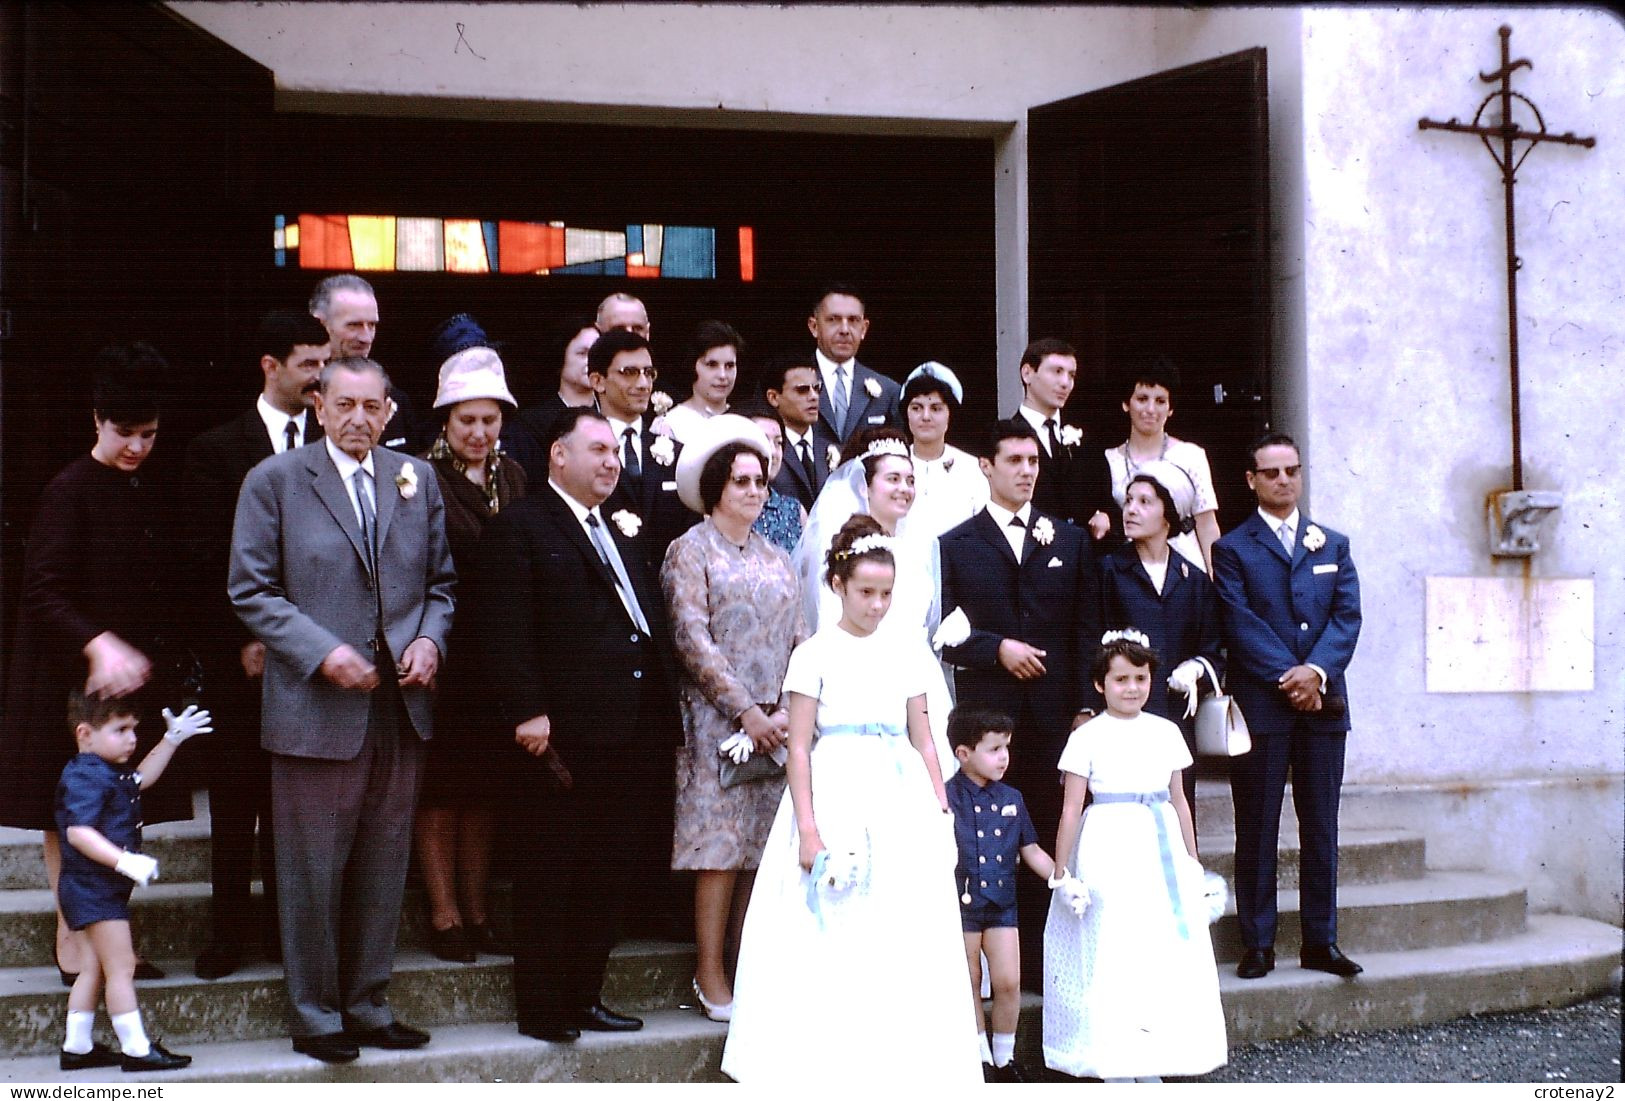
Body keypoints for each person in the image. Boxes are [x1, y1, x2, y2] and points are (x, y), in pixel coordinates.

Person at [229, 356, 456, 1063]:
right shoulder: (275, 481)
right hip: (314, 704)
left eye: (373, 406)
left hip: (400, 705)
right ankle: (315, 1011)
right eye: (345, 405)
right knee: (310, 869)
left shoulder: (414, 478)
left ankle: (369, 1000)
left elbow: (442, 583)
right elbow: (252, 589)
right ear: (318, 405)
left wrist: (429, 639)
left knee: (384, 863)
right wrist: (320, 651)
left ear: (389, 410)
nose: (360, 419)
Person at [721, 515, 981, 1084]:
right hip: (839, 785)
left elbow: (924, 737)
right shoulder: (814, 654)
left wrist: (941, 807)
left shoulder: (908, 651)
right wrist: (809, 829)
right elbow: (798, 748)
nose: (878, 604)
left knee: (901, 922)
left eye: (887, 593)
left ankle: (899, 1061)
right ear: (838, 585)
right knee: (839, 920)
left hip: (900, 792)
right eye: (866, 592)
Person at [464, 406, 679, 1043]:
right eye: (597, 450)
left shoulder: (618, 527)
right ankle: (543, 1006)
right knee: (551, 870)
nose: (611, 462)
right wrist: (527, 708)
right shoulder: (523, 526)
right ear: (558, 456)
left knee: (607, 872)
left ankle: (585, 995)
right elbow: (504, 625)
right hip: (562, 735)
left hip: (631, 729)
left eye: (615, 452)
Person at [0, 345, 190, 988]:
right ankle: (74, 942)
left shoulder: (148, 486)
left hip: (122, 685)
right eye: (125, 433)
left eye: (149, 435)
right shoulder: (67, 490)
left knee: (119, 810)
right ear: (97, 422)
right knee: (72, 813)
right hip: (68, 682)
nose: (138, 446)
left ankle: (104, 941)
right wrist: (99, 642)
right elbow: (42, 592)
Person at [182, 309, 330, 980]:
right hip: (245, 657)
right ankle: (227, 933)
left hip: (316, 654)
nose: (320, 377)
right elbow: (211, 557)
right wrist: (246, 637)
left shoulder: (332, 445)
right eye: (309, 364)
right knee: (237, 797)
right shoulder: (217, 450)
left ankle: (283, 931)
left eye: (324, 363)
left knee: (294, 801)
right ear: (270, 366)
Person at [938, 417, 1099, 987]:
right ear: (987, 466)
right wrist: (996, 648)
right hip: (990, 722)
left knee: (1053, 830)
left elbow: (1088, 628)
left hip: (1056, 716)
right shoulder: (956, 544)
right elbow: (947, 635)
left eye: (1033, 462)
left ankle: (1050, 957)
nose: (1026, 472)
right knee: (993, 836)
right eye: (1014, 461)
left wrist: (1084, 706)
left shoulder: (1070, 539)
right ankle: (1000, 965)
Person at [662, 415, 807, 1022]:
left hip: (774, 726)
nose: (754, 491)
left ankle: (749, 963)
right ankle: (709, 971)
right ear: (716, 487)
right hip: (717, 722)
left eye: (760, 482)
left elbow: (801, 635)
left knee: (760, 850)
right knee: (718, 851)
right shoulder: (688, 550)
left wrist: (784, 712)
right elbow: (692, 638)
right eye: (741, 482)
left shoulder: (778, 557)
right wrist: (745, 710)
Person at [1212, 431, 1363, 980]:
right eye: (1271, 472)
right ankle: (1259, 943)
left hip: (1324, 706)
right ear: (1252, 480)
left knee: (1321, 826)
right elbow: (1238, 620)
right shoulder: (1232, 548)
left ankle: (1321, 942)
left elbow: (1347, 618)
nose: (1283, 480)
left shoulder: (1333, 543)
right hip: (1264, 706)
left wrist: (1317, 672)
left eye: (1291, 471)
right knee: (1258, 827)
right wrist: (1289, 675)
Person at [1043, 632, 1226, 1082]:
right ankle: (1114, 1058)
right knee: (1114, 945)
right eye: (1121, 679)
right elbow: (1071, 807)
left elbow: (1180, 801)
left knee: (1155, 946)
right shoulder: (1088, 735)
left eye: (1140, 678)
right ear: (1100, 685)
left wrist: (1192, 860)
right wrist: (1061, 872)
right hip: (1109, 841)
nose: (1132, 688)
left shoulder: (1165, 731)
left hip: (1157, 844)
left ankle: (1153, 1056)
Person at [412, 330, 527, 964]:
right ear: (445, 420)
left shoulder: (515, 475)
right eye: (467, 420)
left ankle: (478, 906)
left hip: (499, 656)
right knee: (441, 789)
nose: (479, 432)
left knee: (485, 787)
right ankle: (444, 908)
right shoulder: (420, 477)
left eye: (489, 419)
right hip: (444, 651)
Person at [54, 691, 213, 1072]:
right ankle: (136, 1050)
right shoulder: (84, 776)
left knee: (93, 967)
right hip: (94, 889)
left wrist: (170, 740)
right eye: (120, 729)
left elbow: (141, 779)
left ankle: (76, 1047)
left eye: (134, 730)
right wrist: (124, 860)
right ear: (85, 734)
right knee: (122, 967)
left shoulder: (106, 771)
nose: (131, 738)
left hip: (93, 889)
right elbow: (79, 833)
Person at [793, 426, 955, 775]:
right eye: (892, 479)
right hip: (860, 674)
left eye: (910, 480)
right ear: (865, 486)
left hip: (918, 675)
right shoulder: (844, 549)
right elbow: (829, 619)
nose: (904, 489)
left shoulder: (920, 546)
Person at [1093, 465, 1225, 824]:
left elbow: (1213, 647)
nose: (1131, 509)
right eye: (1129, 500)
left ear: (1169, 513)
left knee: (1176, 809)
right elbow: (1090, 642)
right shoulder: (1108, 571)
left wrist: (1196, 668)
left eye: (1145, 502)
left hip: (1174, 721)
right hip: (1120, 720)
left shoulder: (1193, 579)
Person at [945, 707, 1057, 1083]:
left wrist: (1063, 879)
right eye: (993, 749)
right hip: (962, 905)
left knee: (1009, 981)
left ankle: (1004, 1057)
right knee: (970, 981)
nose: (1004, 757)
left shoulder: (1012, 796)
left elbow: (1032, 851)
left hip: (1002, 905)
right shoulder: (945, 796)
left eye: (1006, 747)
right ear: (964, 753)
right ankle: (978, 1058)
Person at [591, 328, 696, 569]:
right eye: (629, 373)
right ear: (597, 381)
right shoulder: (580, 455)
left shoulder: (678, 453)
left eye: (649, 373)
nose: (643, 384)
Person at [1105, 357, 1221, 574]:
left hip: (1186, 567)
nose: (1150, 409)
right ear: (1126, 403)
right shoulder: (1109, 460)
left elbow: (1207, 526)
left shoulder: (1191, 455)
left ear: (1170, 409)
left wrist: (1217, 586)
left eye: (1160, 401)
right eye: (1142, 399)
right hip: (1129, 572)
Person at [1012, 338, 1116, 540]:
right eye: (1056, 371)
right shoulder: (1006, 438)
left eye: (1072, 375)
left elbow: (1106, 501)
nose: (1065, 383)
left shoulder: (1086, 438)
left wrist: (1107, 517)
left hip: (1085, 560)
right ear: (1027, 373)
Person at [309, 274, 413, 450]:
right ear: (320, 324)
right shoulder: (300, 400)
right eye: (353, 325)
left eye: (371, 325)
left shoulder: (396, 400)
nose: (366, 338)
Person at [808, 282, 900, 451]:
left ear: (864, 328)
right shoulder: (790, 384)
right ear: (814, 327)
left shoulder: (889, 391)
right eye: (833, 320)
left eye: (853, 320)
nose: (844, 329)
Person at [901, 360, 988, 539]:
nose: (925, 417)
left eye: (936, 408)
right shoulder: (891, 464)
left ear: (950, 414)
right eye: (917, 408)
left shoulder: (972, 469)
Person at [505, 318, 599, 483]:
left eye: (597, 353)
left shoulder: (614, 412)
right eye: (582, 353)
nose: (592, 361)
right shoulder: (531, 424)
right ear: (561, 356)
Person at [732, 397, 806, 553]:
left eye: (778, 443)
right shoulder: (723, 508)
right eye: (763, 440)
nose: (773, 451)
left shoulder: (795, 511)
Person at [762, 353, 828, 510]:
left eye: (817, 388)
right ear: (773, 397)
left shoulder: (832, 449)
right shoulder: (765, 450)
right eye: (802, 390)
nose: (814, 397)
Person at [663, 320, 742, 444]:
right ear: (692, 365)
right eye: (711, 365)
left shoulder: (744, 422)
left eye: (729, 365)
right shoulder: (671, 424)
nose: (722, 375)